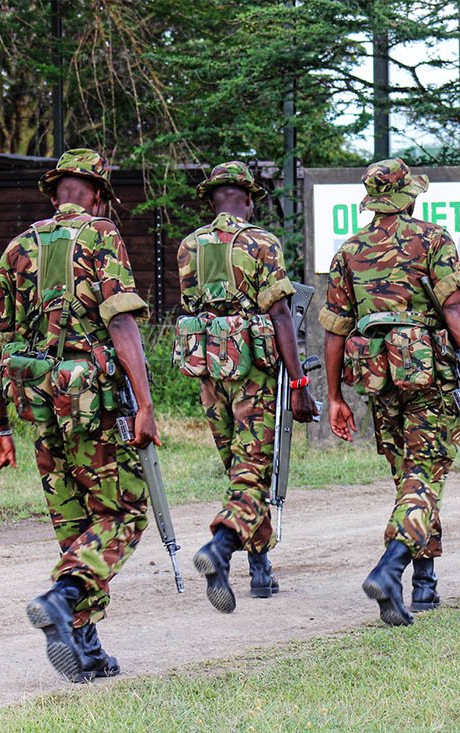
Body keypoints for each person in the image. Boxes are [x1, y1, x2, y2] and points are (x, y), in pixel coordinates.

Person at [0, 148, 158, 682]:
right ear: (97, 194)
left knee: (75, 525)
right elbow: (122, 325)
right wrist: (145, 405)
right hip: (93, 405)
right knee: (122, 515)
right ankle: (63, 596)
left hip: (38, 405)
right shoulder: (101, 235)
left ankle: (85, 649)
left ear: (56, 194)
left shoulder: (19, 245)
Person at [319, 158, 460, 626]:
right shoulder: (432, 239)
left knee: (409, 478)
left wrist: (334, 396)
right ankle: (390, 568)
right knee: (425, 476)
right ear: (410, 196)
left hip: (378, 380)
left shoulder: (349, 250)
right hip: (427, 376)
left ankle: (425, 584)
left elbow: (335, 330)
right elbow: (454, 304)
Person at [175, 161, 317, 613]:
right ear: (249, 200)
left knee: (238, 467)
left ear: (211, 199)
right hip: (254, 370)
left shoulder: (188, 248)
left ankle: (260, 567)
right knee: (254, 467)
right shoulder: (261, 243)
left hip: (210, 369)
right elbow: (279, 316)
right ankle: (220, 547)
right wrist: (298, 382)